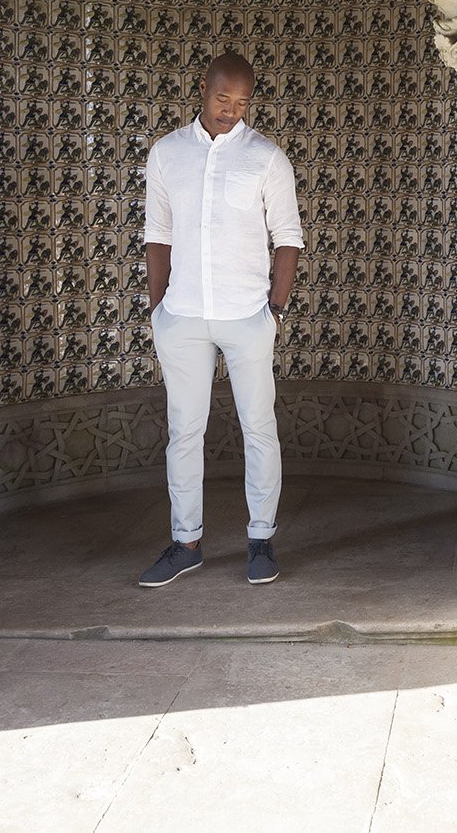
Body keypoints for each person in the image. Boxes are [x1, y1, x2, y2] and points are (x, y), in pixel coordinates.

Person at [138, 51, 303, 588]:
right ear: (202, 90)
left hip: (247, 315)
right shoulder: (166, 154)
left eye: (241, 102)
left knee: (259, 429)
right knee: (184, 433)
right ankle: (185, 543)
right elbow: (157, 235)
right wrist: (159, 307)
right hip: (181, 317)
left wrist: (273, 312)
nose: (231, 110)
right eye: (221, 98)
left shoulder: (267, 158)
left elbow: (289, 240)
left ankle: (261, 539)